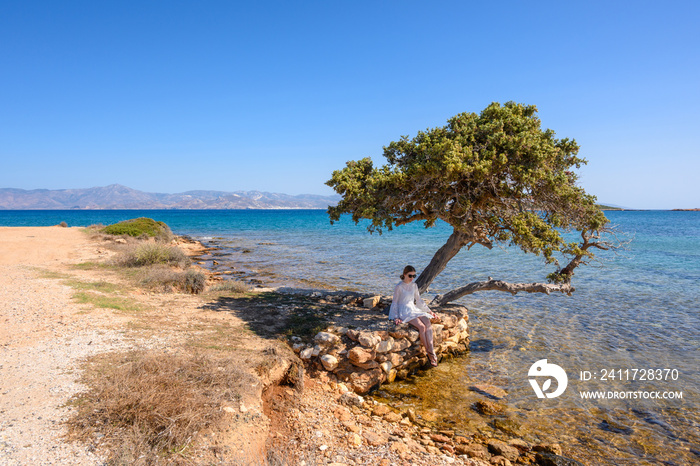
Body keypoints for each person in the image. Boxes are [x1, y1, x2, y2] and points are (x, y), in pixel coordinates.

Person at [388, 265, 439, 366]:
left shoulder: (414, 285)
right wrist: (396, 317)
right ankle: (430, 354)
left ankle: (431, 350)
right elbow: (395, 302)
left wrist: (429, 311)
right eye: (410, 275)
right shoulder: (399, 286)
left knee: (427, 323)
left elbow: (419, 301)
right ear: (404, 275)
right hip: (405, 310)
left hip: (414, 308)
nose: (412, 278)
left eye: (414, 276)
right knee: (421, 326)